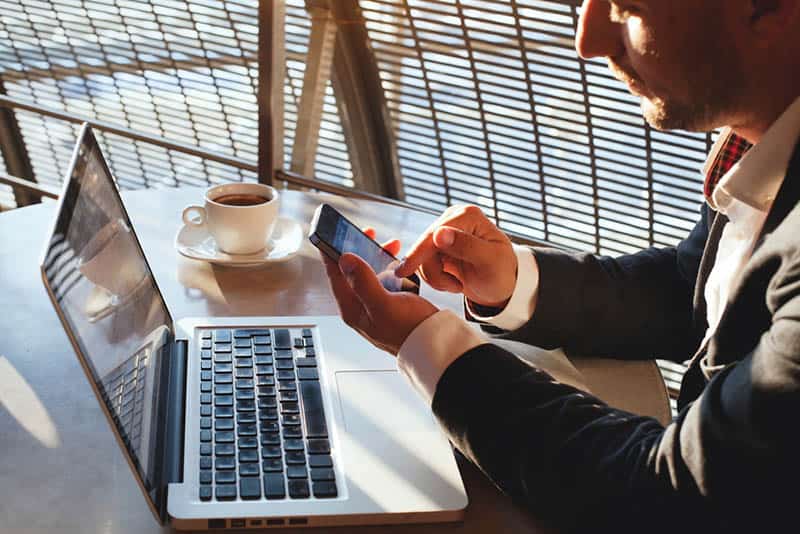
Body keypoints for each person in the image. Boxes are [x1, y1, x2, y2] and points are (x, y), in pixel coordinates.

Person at [320, 0, 800, 531]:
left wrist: (433, 348)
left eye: (626, 7)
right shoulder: (762, 142)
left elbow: (667, 494)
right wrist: (512, 282)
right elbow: (691, 289)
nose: (587, 41)